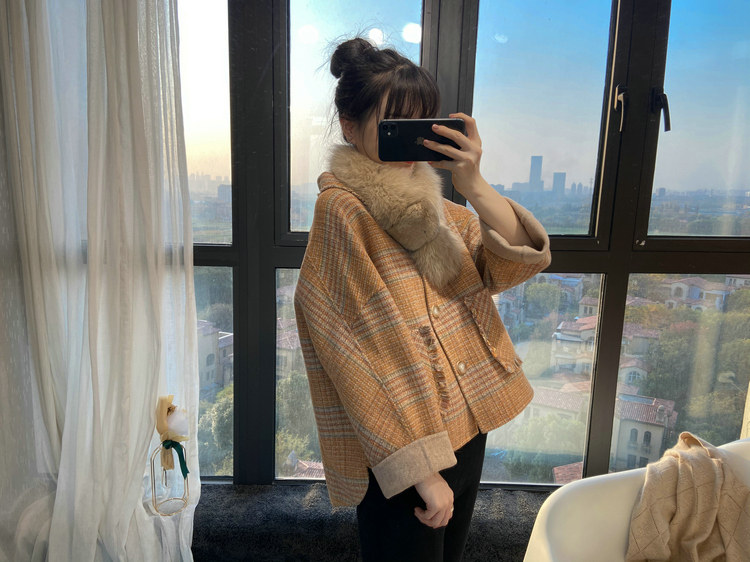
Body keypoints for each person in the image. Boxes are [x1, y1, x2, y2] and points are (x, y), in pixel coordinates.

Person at [293, 37, 551, 561]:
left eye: (421, 122)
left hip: (465, 427)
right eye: (395, 124)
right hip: (405, 448)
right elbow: (359, 358)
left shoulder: (436, 210)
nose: (411, 140)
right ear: (349, 125)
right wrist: (421, 470)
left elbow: (509, 262)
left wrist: (473, 183)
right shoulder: (343, 212)